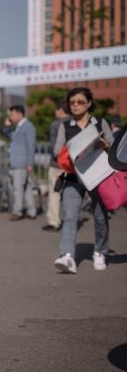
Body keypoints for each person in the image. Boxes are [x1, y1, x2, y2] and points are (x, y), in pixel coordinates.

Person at [53, 86, 113, 274]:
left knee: (100, 217)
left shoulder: (100, 123)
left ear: (89, 103)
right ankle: (67, 256)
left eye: (80, 102)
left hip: (97, 177)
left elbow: (113, 148)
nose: (76, 105)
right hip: (73, 178)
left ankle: (100, 252)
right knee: (70, 217)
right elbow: (56, 151)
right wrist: (70, 150)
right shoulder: (65, 126)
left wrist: (105, 145)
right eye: (72, 103)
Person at [5, 104, 37, 221]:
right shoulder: (18, 126)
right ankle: (31, 210)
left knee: (18, 188)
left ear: (19, 114)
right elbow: (9, 136)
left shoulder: (28, 126)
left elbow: (31, 146)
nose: (11, 117)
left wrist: (30, 163)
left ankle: (17, 211)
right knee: (26, 188)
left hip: (22, 163)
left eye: (12, 114)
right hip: (18, 162)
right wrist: (7, 126)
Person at [43, 102, 68, 232]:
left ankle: (54, 221)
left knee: (54, 193)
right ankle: (70, 221)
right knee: (71, 195)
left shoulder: (56, 124)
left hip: (57, 164)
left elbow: (54, 147)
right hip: (73, 165)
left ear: (60, 111)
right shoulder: (76, 122)